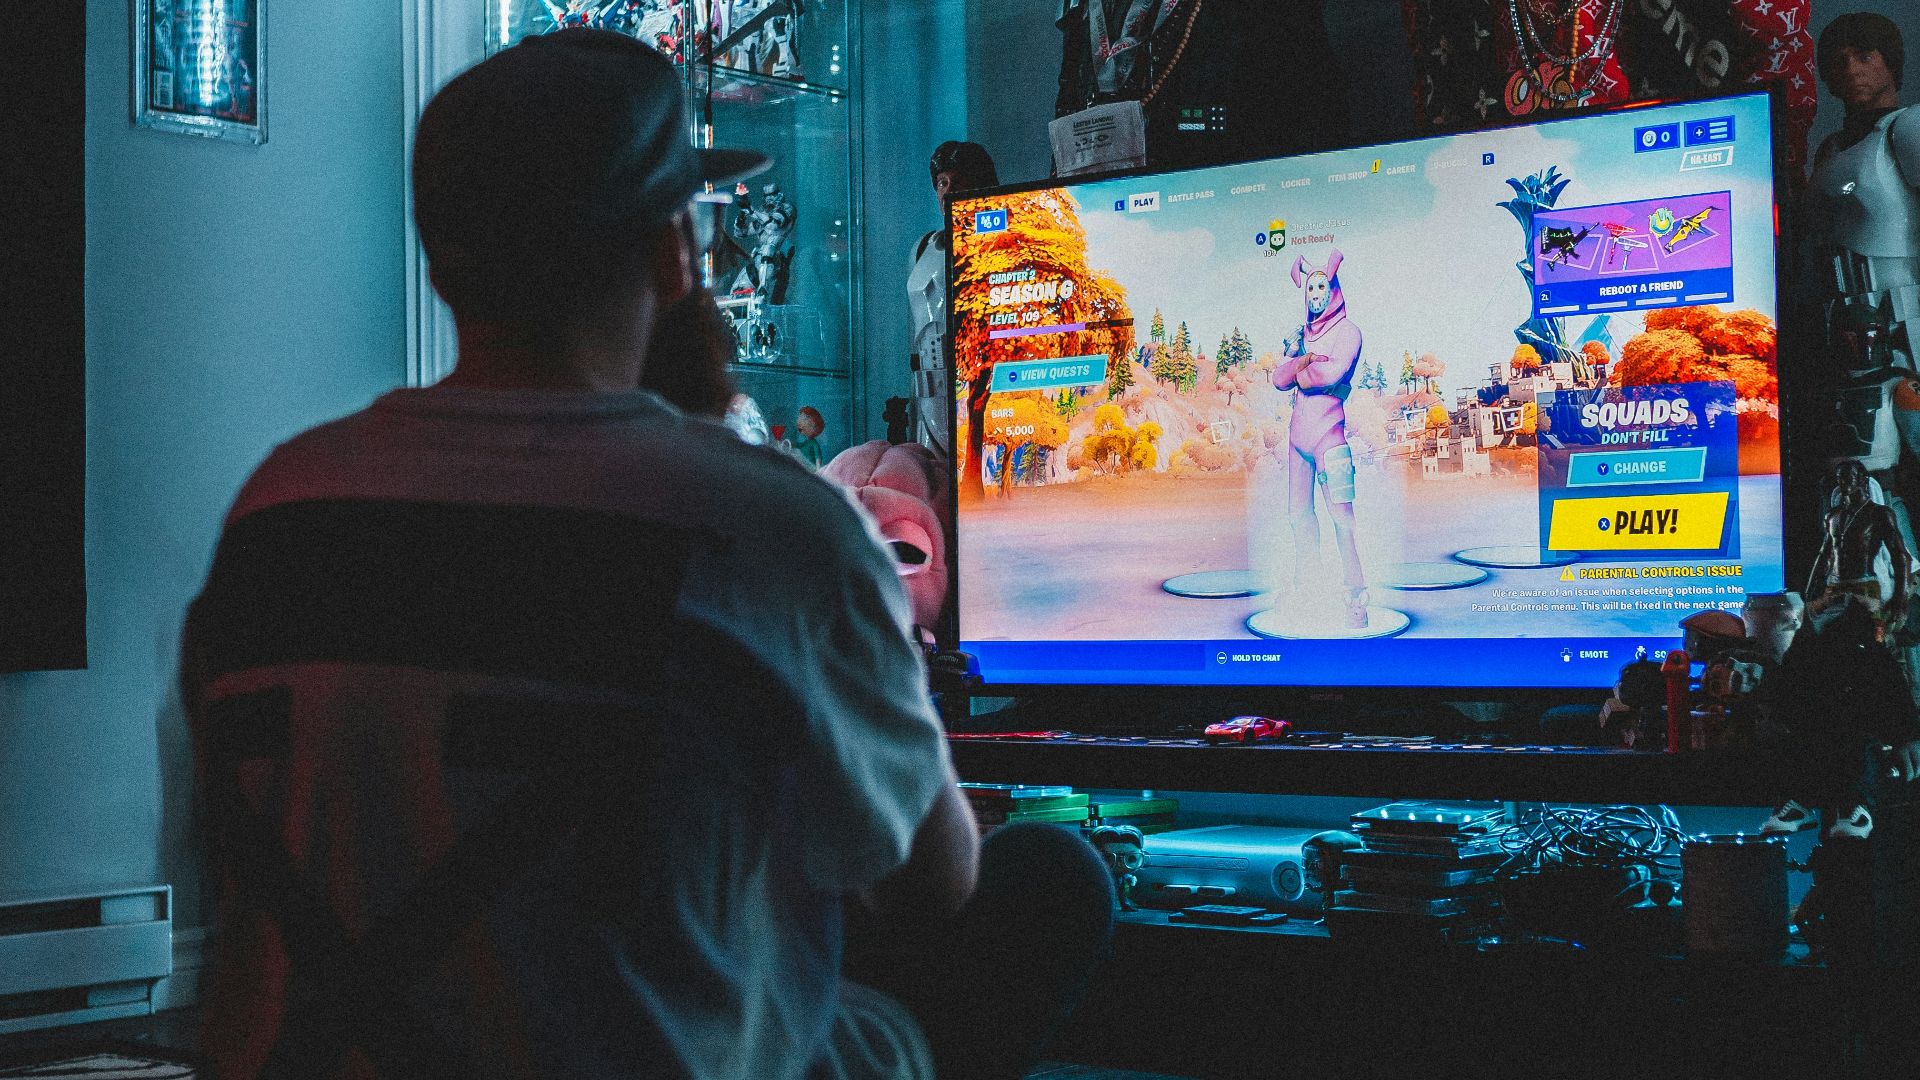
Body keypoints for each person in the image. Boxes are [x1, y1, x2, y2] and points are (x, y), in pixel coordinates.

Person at [182, 29, 1110, 1080]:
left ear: (443, 260)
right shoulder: (768, 525)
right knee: (1050, 878)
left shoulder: (278, 505)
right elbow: (932, 881)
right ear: (679, 249)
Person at [1271, 248, 1368, 629]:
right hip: (1299, 440)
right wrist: (1302, 363)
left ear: (1333, 288)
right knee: (1298, 516)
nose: (1314, 296)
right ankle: (1306, 586)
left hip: (1330, 439)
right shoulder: (1302, 336)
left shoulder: (1348, 332)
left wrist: (1301, 367)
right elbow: (1278, 379)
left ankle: (1355, 596)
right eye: (1309, 289)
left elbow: (1330, 376)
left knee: (1342, 519)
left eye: (1320, 288)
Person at [908, 141, 998, 455]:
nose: (948, 192)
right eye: (943, 183)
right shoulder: (923, 247)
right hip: (927, 384)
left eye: (959, 182)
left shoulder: (994, 246)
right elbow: (914, 329)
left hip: (971, 379)